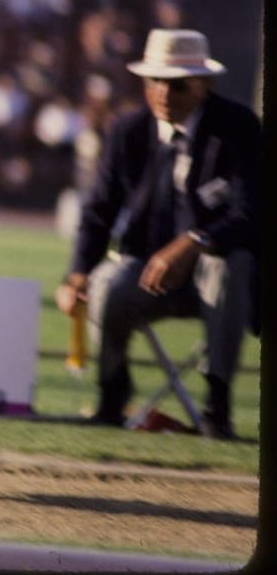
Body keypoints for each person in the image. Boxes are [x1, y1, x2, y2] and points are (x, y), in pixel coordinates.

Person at [54, 29, 261, 439]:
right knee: (107, 283)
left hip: (217, 276)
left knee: (229, 266)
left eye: (178, 84)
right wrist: (78, 272)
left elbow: (251, 212)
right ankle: (112, 395)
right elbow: (99, 211)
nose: (164, 93)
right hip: (147, 270)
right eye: (155, 81)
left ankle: (216, 408)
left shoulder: (238, 128)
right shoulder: (127, 131)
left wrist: (196, 241)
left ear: (204, 85)